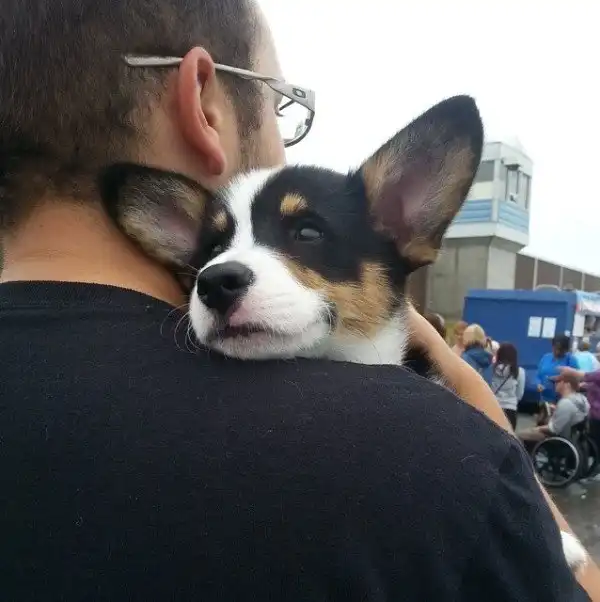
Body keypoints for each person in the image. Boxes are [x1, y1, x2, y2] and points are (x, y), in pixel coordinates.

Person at [0, 1, 598, 599]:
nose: (221, 269)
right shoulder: (450, 462)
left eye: (306, 232)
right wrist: (493, 442)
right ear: (205, 103)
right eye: (282, 105)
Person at [519, 372, 589, 443]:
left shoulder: (565, 403)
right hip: (574, 438)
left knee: (519, 435)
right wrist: (556, 410)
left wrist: (536, 429)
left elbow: (553, 430)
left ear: (567, 384)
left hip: (561, 440)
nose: (555, 384)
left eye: (557, 382)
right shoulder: (582, 399)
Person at [559, 365, 600, 476]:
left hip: (597, 417)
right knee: (588, 443)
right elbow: (594, 383)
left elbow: (586, 376)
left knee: (588, 444)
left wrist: (570, 372)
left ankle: (579, 467)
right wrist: (583, 385)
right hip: (593, 415)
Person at [536, 334, 580, 405]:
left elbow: (576, 379)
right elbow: (538, 375)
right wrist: (538, 384)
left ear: (566, 349)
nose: (557, 351)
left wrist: (559, 380)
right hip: (544, 398)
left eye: (561, 350)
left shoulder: (571, 360)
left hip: (563, 400)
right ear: (552, 346)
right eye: (555, 348)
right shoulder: (546, 357)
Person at [491, 343, 526, 430]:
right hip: (510, 410)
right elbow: (519, 394)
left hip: (493, 406)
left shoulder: (492, 369)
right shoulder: (519, 372)